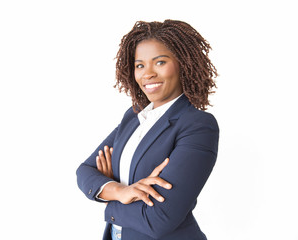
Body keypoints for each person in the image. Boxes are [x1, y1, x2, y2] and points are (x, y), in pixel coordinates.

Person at [76, 19, 219, 240]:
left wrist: (108, 197)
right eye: (140, 65)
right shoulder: (134, 116)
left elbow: (158, 219)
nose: (147, 74)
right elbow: (85, 171)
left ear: (183, 63)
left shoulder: (197, 125)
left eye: (160, 62)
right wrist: (122, 191)